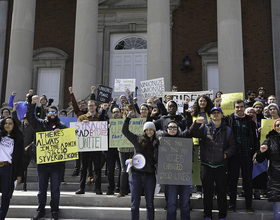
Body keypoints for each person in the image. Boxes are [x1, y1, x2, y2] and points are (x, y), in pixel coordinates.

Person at [189, 107, 236, 220]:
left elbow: (232, 146)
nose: (215, 115)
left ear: (221, 115)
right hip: (207, 165)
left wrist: (225, 154)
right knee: (208, 193)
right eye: (213, 113)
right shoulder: (204, 128)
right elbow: (192, 132)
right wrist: (196, 123)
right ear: (210, 115)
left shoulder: (228, 130)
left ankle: (222, 216)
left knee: (221, 193)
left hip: (221, 165)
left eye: (218, 113)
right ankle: (208, 215)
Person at [27, 95, 67, 220]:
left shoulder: (62, 127)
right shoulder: (39, 124)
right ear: (47, 113)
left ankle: (54, 212)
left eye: (55, 112)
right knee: (41, 190)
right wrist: (32, 104)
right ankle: (41, 211)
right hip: (42, 163)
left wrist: (85, 125)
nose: (52, 113)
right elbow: (30, 117)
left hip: (57, 164)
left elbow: (73, 137)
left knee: (55, 189)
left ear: (57, 114)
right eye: (50, 111)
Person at [224, 100, 259, 214]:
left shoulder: (250, 121)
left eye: (241, 107)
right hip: (233, 155)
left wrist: (256, 151)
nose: (239, 109)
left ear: (244, 108)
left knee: (248, 181)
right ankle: (232, 204)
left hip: (247, 154)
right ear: (234, 108)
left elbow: (255, 139)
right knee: (232, 181)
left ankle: (249, 205)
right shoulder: (228, 120)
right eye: (237, 107)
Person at [122, 110, 159, 220]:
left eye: (151, 129)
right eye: (147, 130)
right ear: (144, 130)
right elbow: (125, 131)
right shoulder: (137, 139)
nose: (149, 132)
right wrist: (128, 118)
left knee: (150, 204)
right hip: (136, 175)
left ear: (154, 130)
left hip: (150, 175)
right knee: (135, 204)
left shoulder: (157, 142)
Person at [157, 120, 192, 220]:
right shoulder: (161, 140)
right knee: (171, 204)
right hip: (170, 178)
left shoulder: (184, 139)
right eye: (170, 127)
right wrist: (157, 141)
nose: (172, 129)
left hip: (184, 177)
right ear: (166, 129)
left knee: (185, 204)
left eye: (174, 127)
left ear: (178, 129)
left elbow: (190, 130)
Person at [185, 95, 214, 198]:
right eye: (200, 101)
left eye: (204, 101)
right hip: (197, 143)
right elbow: (189, 128)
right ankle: (199, 191)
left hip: (210, 143)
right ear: (197, 102)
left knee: (210, 167)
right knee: (197, 168)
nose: (202, 103)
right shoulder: (193, 114)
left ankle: (211, 191)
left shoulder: (211, 113)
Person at [75, 100, 103, 195]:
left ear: (96, 107)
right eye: (89, 106)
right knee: (83, 168)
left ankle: (98, 188)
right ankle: (81, 188)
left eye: (92, 105)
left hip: (96, 145)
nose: (91, 107)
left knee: (97, 168)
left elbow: (104, 128)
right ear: (87, 107)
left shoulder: (100, 117)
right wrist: (82, 124)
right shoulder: (82, 117)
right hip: (85, 145)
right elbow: (77, 129)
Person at [0, 117, 24, 220]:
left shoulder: (18, 138)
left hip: (8, 168)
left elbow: (21, 158)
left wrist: (19, 174)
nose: (7, 125)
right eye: (5, 123)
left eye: (10, 123)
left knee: (6, 195)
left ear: (14, 125)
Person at [256, 118, 280, 219]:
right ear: (274, 127)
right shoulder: (269, 138)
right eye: (278, 125)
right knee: (278, 207)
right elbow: (260, 159)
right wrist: (261, 152)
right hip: (275, 175)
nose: (279, 127)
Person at [12, 103, 35, 191]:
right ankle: (20, 177)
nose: (26, 120)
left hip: (28, 150)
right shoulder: (20, 124)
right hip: (19, 149)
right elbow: (14, 118)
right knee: (19, 165)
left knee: (25, 165)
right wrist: (14, 109)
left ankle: (22, 177)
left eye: (27, 118)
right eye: (25, 118)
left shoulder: (33, 127)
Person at [99, 104, 121, 195]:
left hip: (121, 149)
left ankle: (119, 187)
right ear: (112, 114)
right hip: (110, 149)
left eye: (117, 112)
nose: (116, 113)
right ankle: (110, 188)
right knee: (110, 170)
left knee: (122, 169)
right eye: (114, 112)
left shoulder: (125, 122)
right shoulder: (108, 122)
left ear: (120, 113)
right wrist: (103, 110)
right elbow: (100, 121)